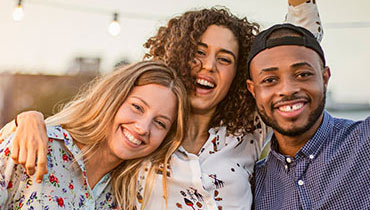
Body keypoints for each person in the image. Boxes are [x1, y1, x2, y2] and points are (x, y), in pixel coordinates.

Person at [0, 1, 324, 209]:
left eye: (224, 59)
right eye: (199, 52)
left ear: (237, 76)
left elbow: (294, 57)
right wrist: (29, 120)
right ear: (180, 55)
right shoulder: (145, 144)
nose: (209, 66)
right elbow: (92, 133)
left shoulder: (248, 132)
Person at [0, 60, 188, 209]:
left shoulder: (129, 195)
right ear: (113, 98)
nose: (143, 128)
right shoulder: (36, 144)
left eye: (160, 123)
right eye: (137, 107)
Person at [246, 23, 370, 209]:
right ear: (253, 90)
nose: (287, 90)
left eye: (303, 74)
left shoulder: (365, 143)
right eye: (270, 80)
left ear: (325, 78)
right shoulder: (251, 186)